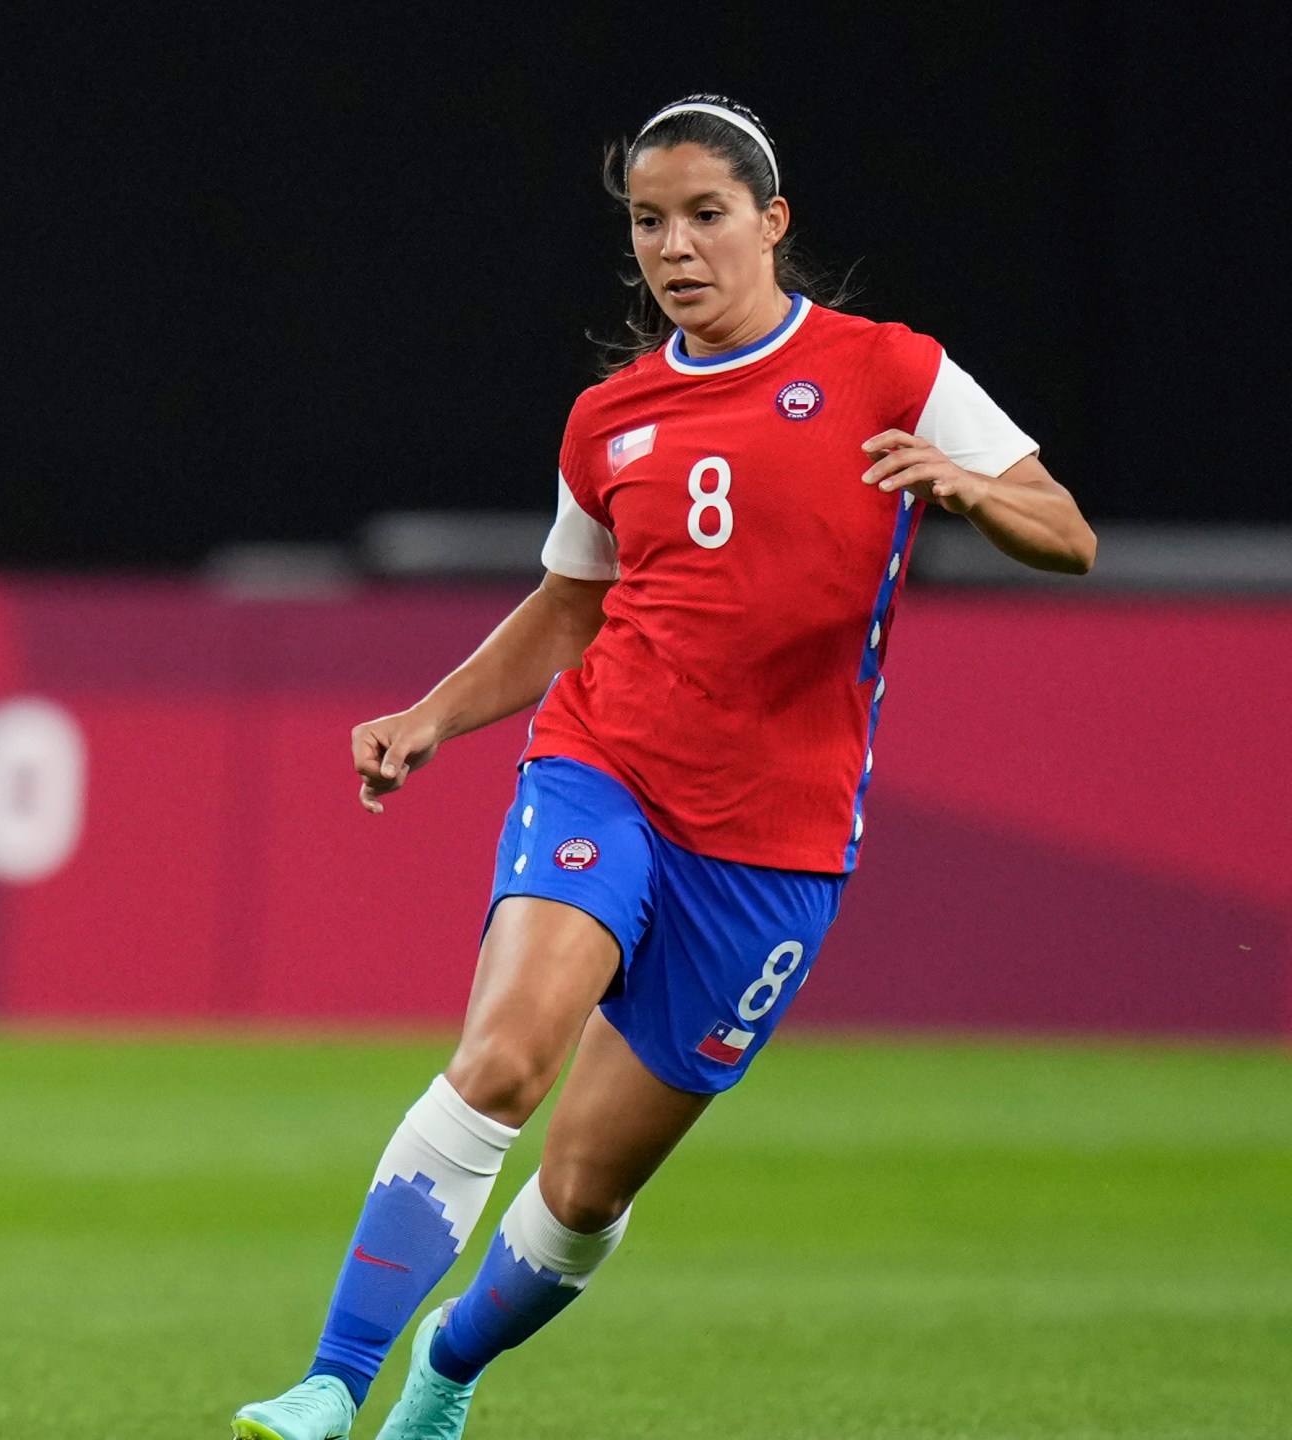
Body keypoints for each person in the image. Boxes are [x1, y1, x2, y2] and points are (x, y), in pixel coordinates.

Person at [230, 94, 1093, 1440]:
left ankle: (444, 1378)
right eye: (648, 221)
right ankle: (331, 1383)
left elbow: (1070, 534)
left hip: (777, 843)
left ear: (773, 221)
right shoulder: (611, 419)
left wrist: (976, 493)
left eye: (705, 214)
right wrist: (434, 716)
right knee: (506, 1061)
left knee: (583, 1191)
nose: (676, 247)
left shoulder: (892, 373)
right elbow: (570, 607)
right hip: (604, 767)